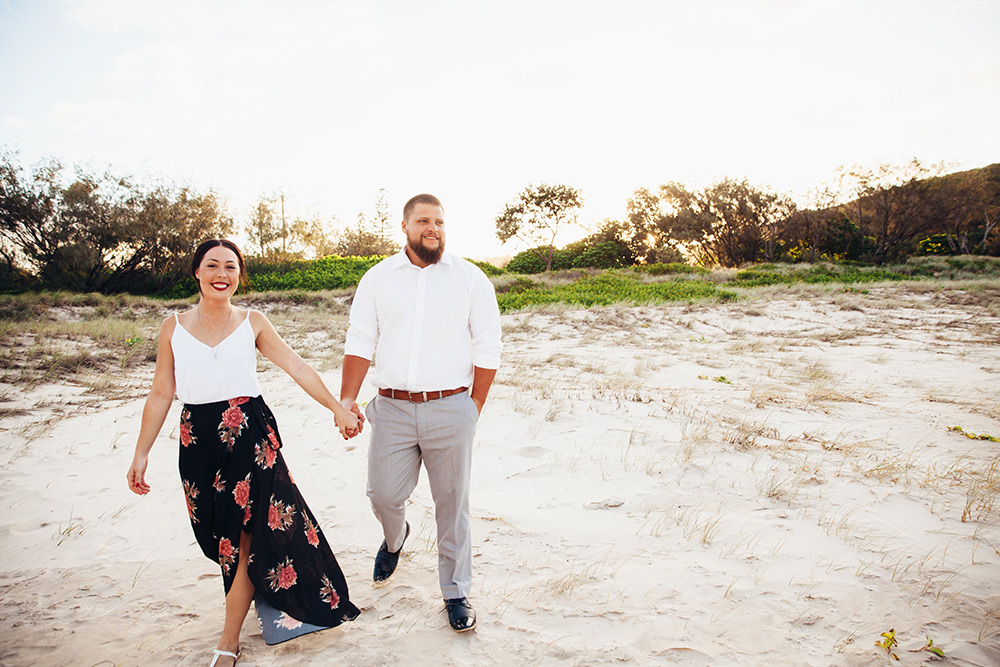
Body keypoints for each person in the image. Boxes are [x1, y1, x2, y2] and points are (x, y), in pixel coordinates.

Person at [126, 239, 361, 667]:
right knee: (220, 539)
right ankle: (262, 599)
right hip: (198, 440)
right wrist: (140, 452)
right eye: (212, 265)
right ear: (196, 272)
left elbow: (297, 366)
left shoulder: (253, 321)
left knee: (244, 536)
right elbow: (162, 391)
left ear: (239, 275)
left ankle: (228, 639)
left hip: (250, 436)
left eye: (230, 267)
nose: (222, 274)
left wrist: (337, 407)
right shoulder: (173, 327)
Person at [339, 193, 502, 632]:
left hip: (451, 406)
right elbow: (359, 342)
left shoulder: (470, 279)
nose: (433, 228)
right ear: (406, 227)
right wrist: (346, 400)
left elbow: (489, 345)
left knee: (453, 505)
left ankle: (456, 591)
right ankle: (395, 539)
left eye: (440, 222)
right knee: (383, 495)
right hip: (390, 407)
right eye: (424, 221)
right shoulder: (377, 279)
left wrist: (475, 405)